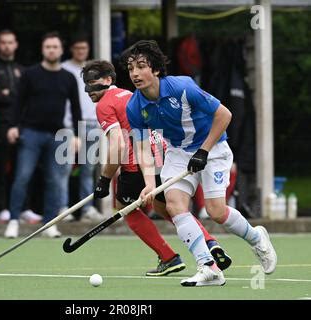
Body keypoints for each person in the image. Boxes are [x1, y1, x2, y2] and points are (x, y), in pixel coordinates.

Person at [122, 40, 277, 286]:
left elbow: (224, 114)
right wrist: (149, 184)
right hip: (178, 152)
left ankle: (257, 239)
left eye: (141, 66)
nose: (135, 74)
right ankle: (208, 267)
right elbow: (141, 148)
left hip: (213, 148)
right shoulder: (134, 106)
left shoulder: (182, 87)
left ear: (156, 70)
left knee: (216, 211)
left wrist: (203, 152)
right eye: (131, 68)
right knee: (174, 205)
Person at [81, 60, 231, 276]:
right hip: (162, 158)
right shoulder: (130, 95)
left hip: (136, 166)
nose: (89, 90)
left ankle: (168, 257)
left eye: (93, 83)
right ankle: (209, 243)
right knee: (167, 207)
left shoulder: (104, 105)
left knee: (126, 208)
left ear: (107, 80)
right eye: (86, 84)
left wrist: (104, 180)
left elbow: (118, 145)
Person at [4, 32, 81, 238]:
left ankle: (50, 223)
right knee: (22, 176)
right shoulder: (30, 74)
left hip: (58, 135)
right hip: (30, 133)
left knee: (55, 180)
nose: (51, 50)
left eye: (55, 47)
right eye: (48, 47)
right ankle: (13, 220)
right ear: (42, 49)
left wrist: (77, 135)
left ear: (61, 50)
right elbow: (18, 102)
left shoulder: (69, 77)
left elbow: (76, 108)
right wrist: (13, 126)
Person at [0, 29, 42, 225]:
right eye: (3, 42)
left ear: (16, 44)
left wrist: (9, 94)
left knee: (24, 170)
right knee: (1, 170)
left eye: (10, 42)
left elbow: (26, 98)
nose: (7, 46)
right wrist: (9, 95)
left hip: (22, 126)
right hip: (0, 126)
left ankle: (25, 209)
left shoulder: (23, 70)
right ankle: (1, 209)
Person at [61, 35, 103, 222]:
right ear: (71, 49)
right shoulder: (63, 69)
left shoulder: (96, 71)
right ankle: (62, 208)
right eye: (77, 48)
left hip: (94, 123)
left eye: (83, 48)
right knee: (64, 167)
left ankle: (87, 209)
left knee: (89, 169)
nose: (80, 51)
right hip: (69, 124)